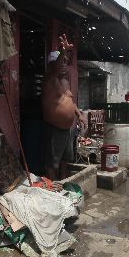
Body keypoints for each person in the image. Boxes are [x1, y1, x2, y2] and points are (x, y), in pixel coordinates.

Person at [41, 34, 85, 181]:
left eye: (66, 61)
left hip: (67, 130)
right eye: (62, 61)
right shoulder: (49, 79)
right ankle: (52, 187)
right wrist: (63, 51)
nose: (64, 64)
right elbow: (56, 68)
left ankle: (62, 183)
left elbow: (70, 102)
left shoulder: (65, 82)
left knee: (65, 159)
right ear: (52, 65)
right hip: (54, 129)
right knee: (52, 162)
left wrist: (79, 114)